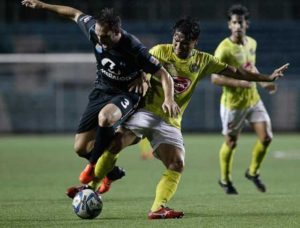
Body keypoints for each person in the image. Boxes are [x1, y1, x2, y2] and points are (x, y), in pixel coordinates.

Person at [67, 17, 288, 219]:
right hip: (145, 112)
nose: (178, 46)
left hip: (170, 121)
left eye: (184, 43)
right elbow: (141, 67)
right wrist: (141, 79)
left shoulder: (203, 61)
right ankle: (90, 188)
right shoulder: (160, 52)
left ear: (195, 42)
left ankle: (157, 208)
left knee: (177, 163)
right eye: (176, 40)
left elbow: (237, 72)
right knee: (114, 144)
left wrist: (266, 77)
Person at [21, 0, 180, 184]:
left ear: (117, 32)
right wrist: (42, 6)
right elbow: (73, 13)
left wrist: (168, 98)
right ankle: (111, 171)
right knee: (81, 148)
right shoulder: (94, 30)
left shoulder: (133, 47)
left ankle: (93, 167)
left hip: (126, 93)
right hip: (101, 90)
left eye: (104, 37)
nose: (100, 40)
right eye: (98, 35)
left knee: (105, 118)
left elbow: (163, 73)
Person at [211, 4, 279, 194]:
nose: (238, 26)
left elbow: (251, 68)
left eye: (240, 22)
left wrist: (265, 84)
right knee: (231, 143)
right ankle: (225, 180)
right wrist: (239, 83)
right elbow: (214, 77)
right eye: (234, 22)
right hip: (233, 104)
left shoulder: (252, 43)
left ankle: (253, 172)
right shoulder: (224, 49)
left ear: (246, 23)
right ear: (229, 25)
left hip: (253, 99)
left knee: (266, 138)